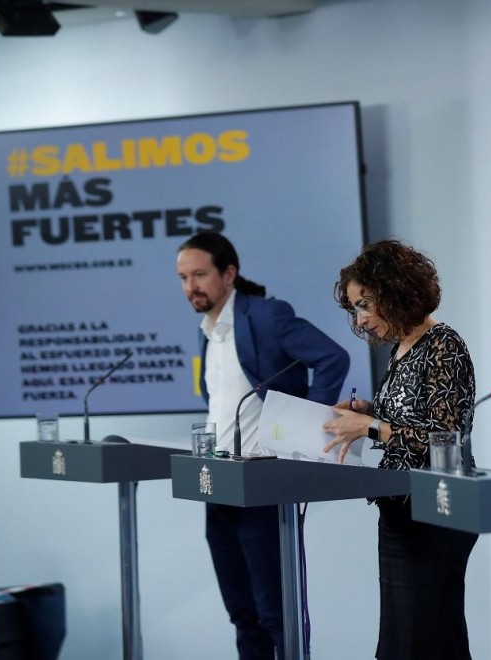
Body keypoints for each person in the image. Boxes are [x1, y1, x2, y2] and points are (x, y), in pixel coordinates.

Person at [176, 231, 350, 660]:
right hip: (217, 485)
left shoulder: (266, 316)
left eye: (199, 274)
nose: (190, 286)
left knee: (276, 614)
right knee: (241, 614)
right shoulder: (207, 330)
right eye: (182, 277)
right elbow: (218, 403)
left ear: (229, 273)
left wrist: (302, 430)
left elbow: (333, 358)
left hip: (260, 488)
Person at [322, 239, 478, 660]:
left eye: (366, 304)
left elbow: (444, 437)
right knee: (400, 643)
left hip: (437, 510)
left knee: (425, 642)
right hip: (401, 509)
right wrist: (368, 411)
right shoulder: (402, 348)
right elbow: (411, 418)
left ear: (395, 289)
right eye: (355, 308)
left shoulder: (443, 343)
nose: (362, 318)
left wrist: (371, 427)